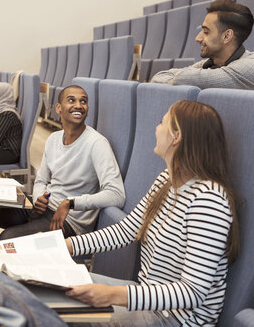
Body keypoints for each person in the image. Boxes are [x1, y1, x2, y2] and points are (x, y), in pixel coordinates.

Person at [64, 100, 239, 326]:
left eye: (162, 122)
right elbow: (125, 232)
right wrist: (66, 245)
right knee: (50, 284)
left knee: (60, 310)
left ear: (176, 137)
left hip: (175, 320)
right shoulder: (166, 180)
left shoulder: (209, 200)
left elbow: (193, 291)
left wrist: (112, 295)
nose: (156, 128)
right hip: (148, 302)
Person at [0, 85, 125, 240]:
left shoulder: (97, 143)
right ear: (58, 108)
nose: (78, 105)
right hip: (44, 208)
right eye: (71, 100)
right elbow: (42, 180)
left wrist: (71, 203)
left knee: (7, 237)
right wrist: (38, 197)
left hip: (68, 221)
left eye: (83, 101)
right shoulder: (53, 139)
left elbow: (117, 195)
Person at [151, 0, 254, 92]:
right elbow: (158, 78)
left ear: (227, 36)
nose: (197, 38)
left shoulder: (250, 68)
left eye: (206, 32)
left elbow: (180, 78)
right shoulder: (212, 63)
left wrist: (177, 77)